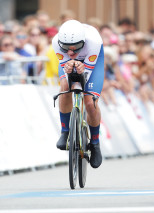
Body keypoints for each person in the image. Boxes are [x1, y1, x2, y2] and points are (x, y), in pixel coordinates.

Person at [52, 20, 104, 168]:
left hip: (92, 60)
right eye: (66, 48)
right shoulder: (56, 42)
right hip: (70, 63)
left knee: (90, 102)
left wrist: (81, 69)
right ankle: (65, 131)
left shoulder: (93, 41)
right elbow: (68, 72)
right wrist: (71, 66)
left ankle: (94, 143)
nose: (70, 52)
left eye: (74, 48)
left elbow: (84, 77)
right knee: (65, 86)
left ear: (83, 41)